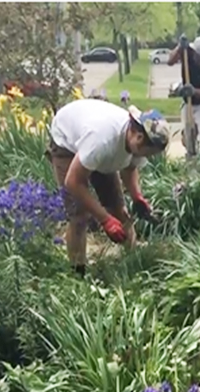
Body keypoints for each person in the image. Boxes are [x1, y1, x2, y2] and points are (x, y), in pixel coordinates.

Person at [47, 99, 170, 277]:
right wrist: (105, 219)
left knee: (119, 208)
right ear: (139, 138)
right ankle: (77, 273)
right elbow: (73, 182)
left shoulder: (138, 141)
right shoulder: (102, 141)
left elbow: (130, 167)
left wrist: (137, 197)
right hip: (66, 142)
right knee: (79, 215)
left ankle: (135, 261)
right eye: (148, 153)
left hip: (96, 149)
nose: (147, 157)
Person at [168, 36, 200, 158]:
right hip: (187, 104)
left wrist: (194, 91)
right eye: (199, 57)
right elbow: (170, 61)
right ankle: (191, 160)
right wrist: (179, 47)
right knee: (189, 137)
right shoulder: (187, 53)